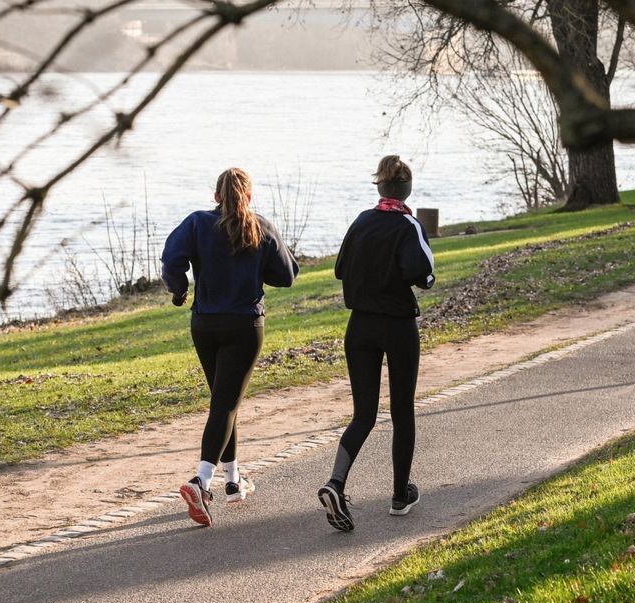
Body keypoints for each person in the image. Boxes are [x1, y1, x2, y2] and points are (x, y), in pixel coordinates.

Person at [161, 167, 299, 527]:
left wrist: (179, 289)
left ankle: (234, 482)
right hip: (244, 324)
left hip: (204, 324)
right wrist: (254, 267)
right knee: (225, 404)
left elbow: (171, 260)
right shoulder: (261, 227)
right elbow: (286, 275)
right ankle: (201, 482)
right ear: (248, 196)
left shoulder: (196, 224)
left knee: (225, 402)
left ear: (216, 196)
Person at [317, 155, 436, 532]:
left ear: (380, 187)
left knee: (363, 414)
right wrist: (421, 280)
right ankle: (400, 495)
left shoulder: (361, 222)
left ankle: (335, 483)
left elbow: (339, 269)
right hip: (398, 326)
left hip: (359, 328)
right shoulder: (408, 225)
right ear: (406, 189)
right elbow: (423, 274)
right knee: (402, 411)